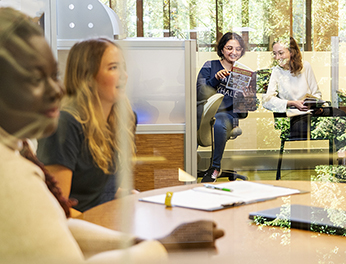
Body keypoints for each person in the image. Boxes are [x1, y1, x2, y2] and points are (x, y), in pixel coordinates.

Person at [0, 7, 223, 263]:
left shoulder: (18, 149)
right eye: (34, 78)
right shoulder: (14, 170)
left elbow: (56, 221)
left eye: (53, 76)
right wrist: (164, 245)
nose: (56, 90)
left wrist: (144, 240)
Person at [37, 38, 133, 214]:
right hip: (76, 231)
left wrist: (124, 194)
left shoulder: (118, 120)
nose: (123, 75)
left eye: (123, 67)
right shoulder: (65, 124)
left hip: (101, 223)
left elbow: (91, 190)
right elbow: (58, 207)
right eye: (113, 68)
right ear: (87, 77)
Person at [196, 32, 248, 182]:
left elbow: (243, 114)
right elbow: (198, 94)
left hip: (228, 116)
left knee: (219, 120)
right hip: (204, 113)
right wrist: (215, 79)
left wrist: (244, 96)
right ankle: (186, 163)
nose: (234, 52)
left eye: (238, 49)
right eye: (229, 48)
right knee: (189, 122)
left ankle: (215, 167)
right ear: (222, 49)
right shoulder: (210, 66)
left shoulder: (243, 73)